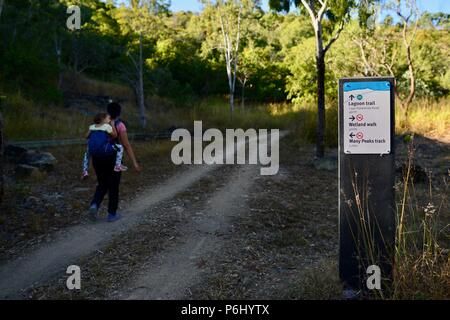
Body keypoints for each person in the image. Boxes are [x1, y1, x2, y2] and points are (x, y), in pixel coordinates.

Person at [88, 102, 141, 222]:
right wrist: (134, 163)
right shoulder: (119, 125)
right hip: (114, 158)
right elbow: (126, 145)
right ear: (119, 113)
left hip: (97, 158)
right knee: (113, 185)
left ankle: (94, 205)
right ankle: (112, 214)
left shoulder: (99, 123)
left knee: (102, 183)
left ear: (107, 111)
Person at [81, 112, 127, 180]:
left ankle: (85, 171)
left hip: (92, 149)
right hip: (103, 149)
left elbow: (86, 136)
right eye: (108, 118)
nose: (110, 120)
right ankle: (117, 165)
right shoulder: (106, 126)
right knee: (119, 147)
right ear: (103, 119)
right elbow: (114, 135)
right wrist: (113, 125)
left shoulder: (92, 126)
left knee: (86, 155)